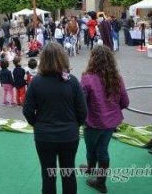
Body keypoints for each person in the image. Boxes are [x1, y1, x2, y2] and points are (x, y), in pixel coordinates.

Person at [23, 43, 87, 194]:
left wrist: (37, 124)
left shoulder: (36, 82)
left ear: (43, 59)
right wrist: (74, 125)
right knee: (68, 173)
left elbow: (27, 111)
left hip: (44, 136)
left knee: (48, 175)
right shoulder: (72, 81)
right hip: (69, 135)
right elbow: (83, 111)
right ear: (63, 57)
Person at [80, 45, 129, 193]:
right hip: (110, 123)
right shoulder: (117, 79)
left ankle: (92, 171)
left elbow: (81, 103)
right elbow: (125, 102)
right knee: (103, 150)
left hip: (93, 122)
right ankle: (100, 180)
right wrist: (111, 110)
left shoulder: (87, 78)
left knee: (91, 149)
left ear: (93, 59)